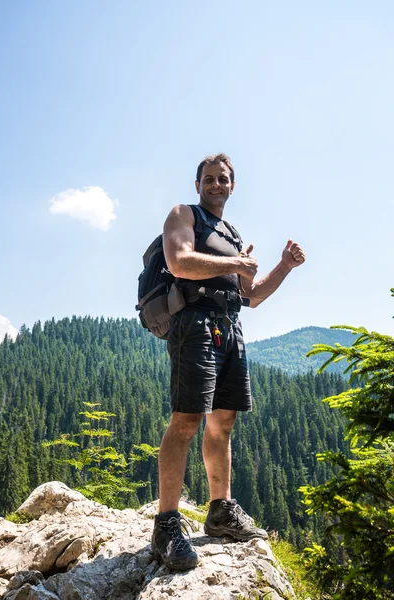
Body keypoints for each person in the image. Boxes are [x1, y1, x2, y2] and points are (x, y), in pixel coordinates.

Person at [151, 154, 305, 571]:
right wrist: (237, 262)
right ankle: (165, 526)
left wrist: (284, 266)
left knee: (223, 422)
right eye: (209, 179)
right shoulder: (184, 215)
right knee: (186, 421)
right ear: (198, 183)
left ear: (232, 187)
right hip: (193, 325)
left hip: (229, 328)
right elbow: (178, 261)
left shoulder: (232, 234)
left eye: (223, 180)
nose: (216, 184)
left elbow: (251, 296)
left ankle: (220, 511)